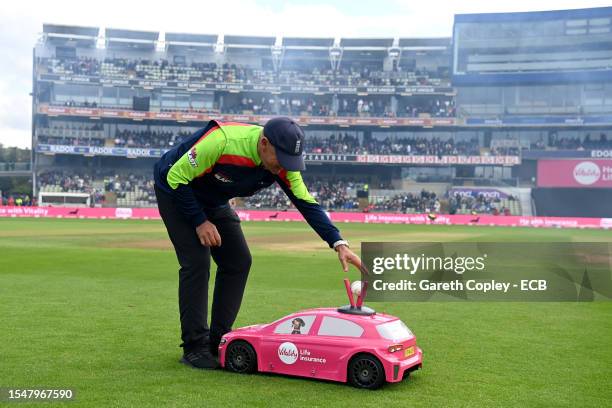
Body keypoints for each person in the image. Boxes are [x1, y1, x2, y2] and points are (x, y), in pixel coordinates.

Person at [153, 117, 364, 369]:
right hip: (175, 188)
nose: (284, 167)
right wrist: (199, 221)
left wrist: (338, 242)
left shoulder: (282, 164)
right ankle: (194, 347)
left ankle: (218, 341)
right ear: (264, 144)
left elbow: (305, 201)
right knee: (197, 262)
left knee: (239, 261)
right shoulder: (224, 142)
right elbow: (175, 176)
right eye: (282, 160)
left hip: (214, 200)